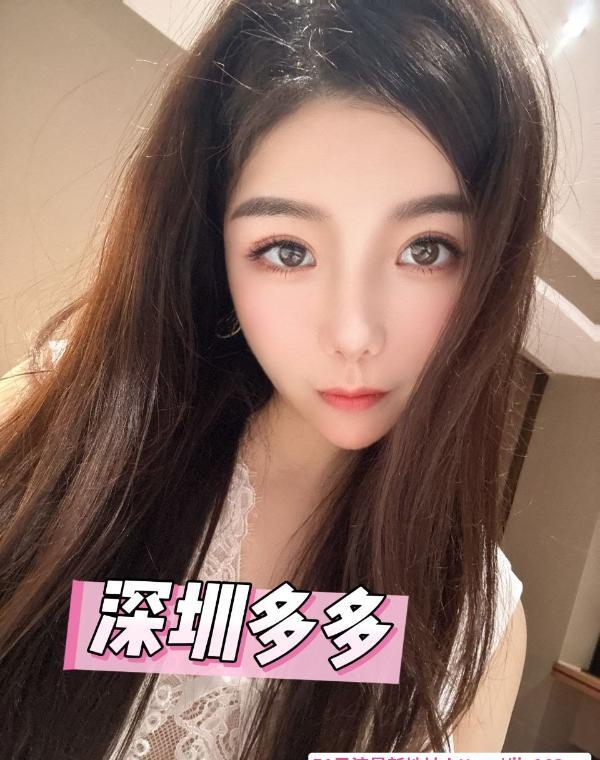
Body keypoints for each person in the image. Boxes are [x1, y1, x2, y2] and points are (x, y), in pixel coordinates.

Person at [0, 0, 557, 757]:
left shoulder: (472, 625)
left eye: (426, 249)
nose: (354, 334)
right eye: (288, 250)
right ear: (214, 246)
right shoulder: (66, 429)